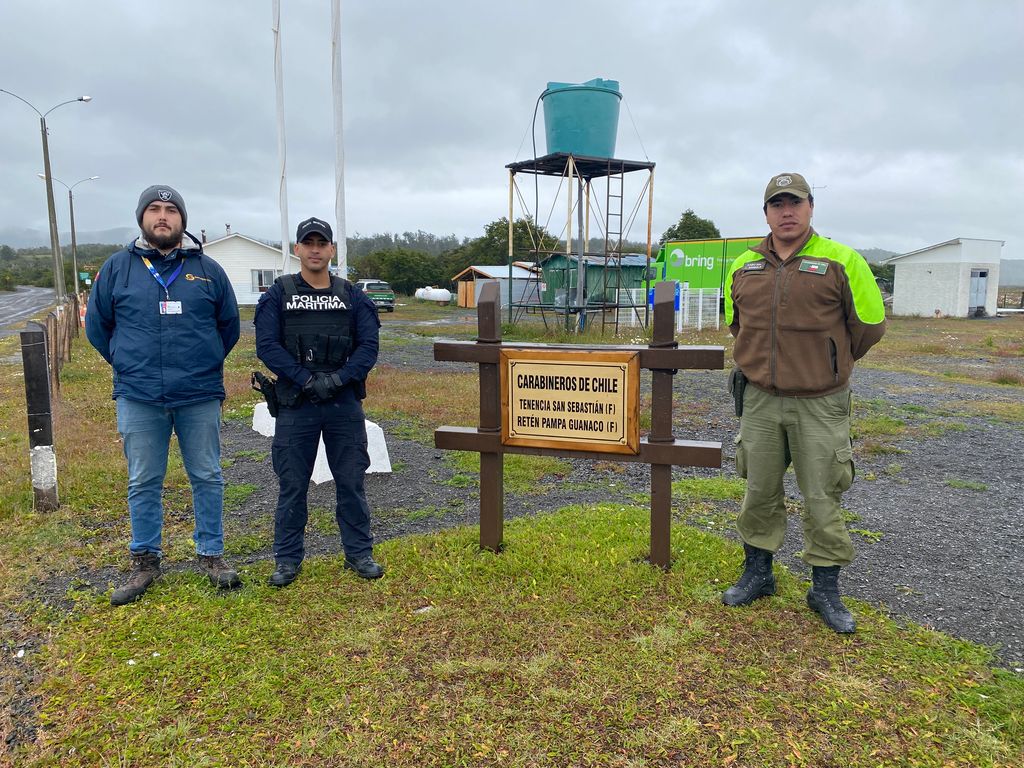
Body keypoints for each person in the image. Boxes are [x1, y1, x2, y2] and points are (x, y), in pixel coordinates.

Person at [721, 172, 886, 633]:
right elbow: (737, 323)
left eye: (795, 203)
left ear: (811, 207)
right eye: (778, 204)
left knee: (822, 495)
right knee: (759, 489)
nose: (786, 211)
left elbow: (869, 326)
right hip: (760, 401)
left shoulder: (841, 259)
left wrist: (829, 362)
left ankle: (825, 590)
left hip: (821, 403)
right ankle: (759, 575)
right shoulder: (743, 264)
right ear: (766, 213)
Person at [86, 185, 242, 605]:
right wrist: (126, 361)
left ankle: (211, 554)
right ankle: (145, 560)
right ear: (142, 218)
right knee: (143, 479)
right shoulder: (118, 268)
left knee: (207, 475)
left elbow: (229, 327)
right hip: (139, 395)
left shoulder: (208, 271)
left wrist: (204, 361)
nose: (162, 216)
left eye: (171, 210)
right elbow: (98, 329)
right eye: (154, 209)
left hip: (198, 394)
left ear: (182, 221)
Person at [254, 216, 384, 587]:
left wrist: (338, 379)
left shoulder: (352, 294)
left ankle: (359, 553)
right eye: (307, 243)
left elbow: (368, 347)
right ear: (297, 249)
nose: (314, 249)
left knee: (351, 481)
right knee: (293, 484)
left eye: (321, 243)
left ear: (331, 249)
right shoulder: (279, 293)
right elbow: (268, 346)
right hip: (297, 402)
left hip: (343, 403)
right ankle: (287, 560)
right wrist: (308, 379)